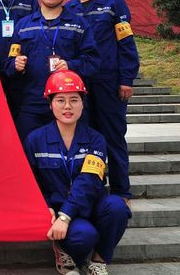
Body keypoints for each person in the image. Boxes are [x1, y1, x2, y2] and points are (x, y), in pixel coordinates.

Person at [25, 70, 130, 275]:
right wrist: (45, 207)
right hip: (59, 207)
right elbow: (31, 181)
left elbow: (89, 181)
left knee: (117, 207)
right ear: (50, 104)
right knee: (84, 236)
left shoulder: (96, 139)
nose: (67, 106)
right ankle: (65, 253)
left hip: (89, 203)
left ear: (83, 104)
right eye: (60, 100)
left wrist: (66, 216)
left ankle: (98, 260)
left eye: (74, 100)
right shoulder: (35, 140)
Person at [65, 0, 140, 202]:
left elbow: (126, 44)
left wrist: (126, 79)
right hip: (80, 84)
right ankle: (94, 188)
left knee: (113, 136)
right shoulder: (69, 8)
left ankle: (121, 191)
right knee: (85, 138)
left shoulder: (114, 4)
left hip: (108, 82)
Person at [4, 0, 100, 142]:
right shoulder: (23, 26)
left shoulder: (79, 25)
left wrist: (71, 65)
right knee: (28, 152)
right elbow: (8, 63)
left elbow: (93, 62)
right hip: (32, 105)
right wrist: (15, 65)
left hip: (68, 106)